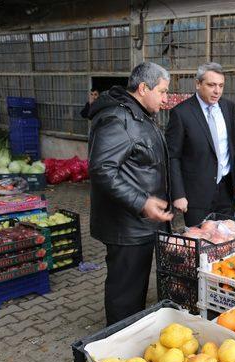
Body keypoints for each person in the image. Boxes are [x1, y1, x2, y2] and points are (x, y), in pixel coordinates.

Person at [88, 62, 173, 326]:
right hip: (127, 227)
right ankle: (115, 346)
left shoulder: (139, 114)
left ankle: (129, 333)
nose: (166, 99)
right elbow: (102, 169)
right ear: (143, 87)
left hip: (141, 224)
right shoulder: (118, 118)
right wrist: (142, 202)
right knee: (125, 292)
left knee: (135, 288)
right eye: (162, 92)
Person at [166, 62, 235, 226]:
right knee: (201, 243)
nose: (217, 91)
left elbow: (234, 145)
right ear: (198, 84)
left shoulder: (227, 107)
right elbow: (172, 156)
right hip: (197, 194)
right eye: (211, 85)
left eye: (221, 85)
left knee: (226, 240)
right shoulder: (181, 113)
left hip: (226, 189)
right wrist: (178, 194)